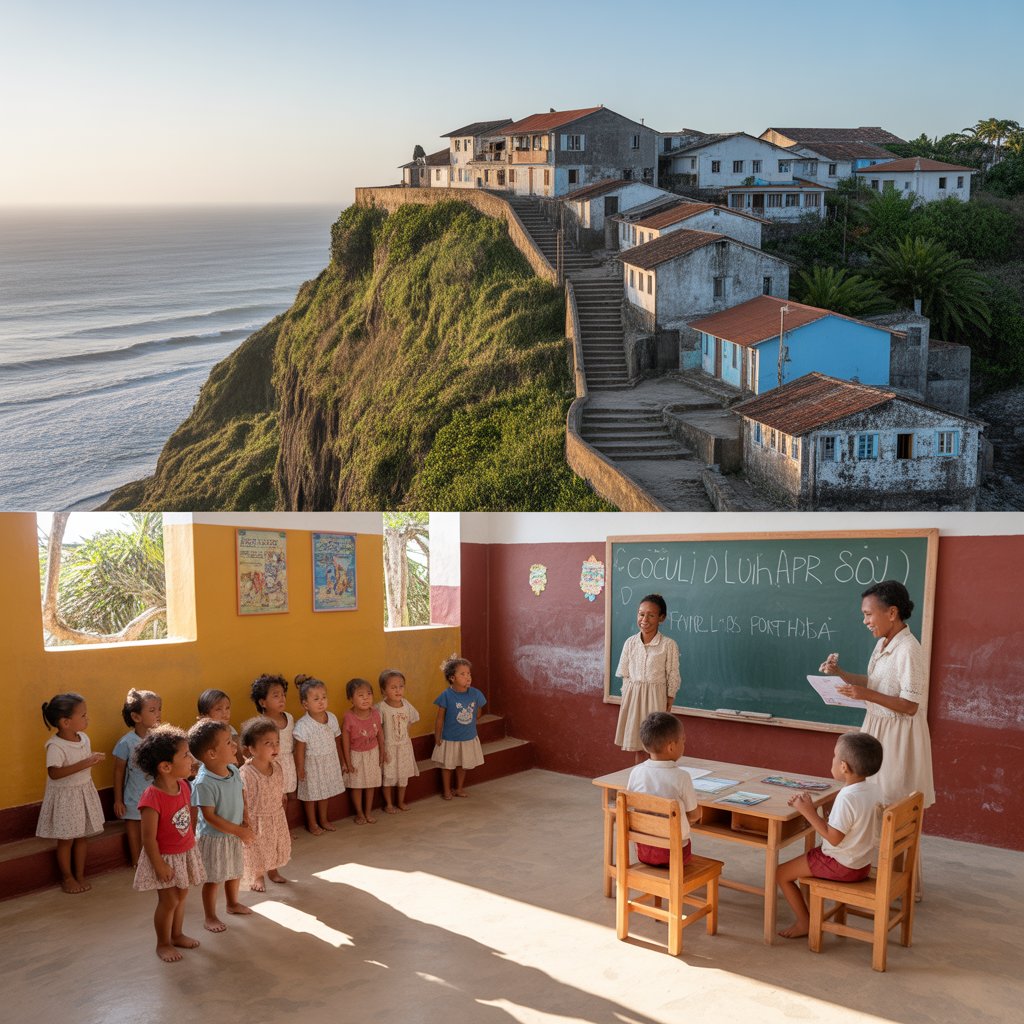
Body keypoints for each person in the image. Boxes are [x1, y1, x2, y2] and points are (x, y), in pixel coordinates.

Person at [819, 580, 935, 810]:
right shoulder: (883, 643)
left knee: (890, 802)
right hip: (875, 729)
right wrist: (840, 673)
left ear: (892, 613)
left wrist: (866, 694)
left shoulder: (908, 649)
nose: (865, 621)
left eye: (868, 614)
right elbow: (875, 683)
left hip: (897, 737)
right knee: (870, 802)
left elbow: (910, 706)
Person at [776, 731, 884, 939]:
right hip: (861, 864)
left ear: (844, 767)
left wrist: (807, 811)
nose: (832, 760)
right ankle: (809, 913)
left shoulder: (847, 797)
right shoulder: (874, 790)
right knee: (805, 859)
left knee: (781, 873)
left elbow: (833, 838)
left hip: (841, 866)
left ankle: (804, 922)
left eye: (834, 756)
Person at [132, 724, 205, 963]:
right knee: (169, 900)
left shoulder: (183, 785)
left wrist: (191, 841)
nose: (191, 759)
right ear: (165, 767)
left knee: (181, 895)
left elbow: (189, 813)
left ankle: (177, 934)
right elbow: (148, 838)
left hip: (183, 852)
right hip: (163, 857)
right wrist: (159, 865)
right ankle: (163, 943)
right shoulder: (152, 797)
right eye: (185, 755)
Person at [188, 718, 254, 932]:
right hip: (214, 839)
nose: (234, 745)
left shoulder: (233, 770)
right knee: (214, 878)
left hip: (234, 833)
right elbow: (209, 817)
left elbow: (241, 795)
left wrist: (245, 819)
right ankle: (210, 916)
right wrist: (239, 831)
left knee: (234, 871)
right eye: (228, 742)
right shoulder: (204, 782)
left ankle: (232, 904)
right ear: (211, 754)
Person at [36, 693, 106, 894]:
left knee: (82, 836)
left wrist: (91, 759)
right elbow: (54, 773)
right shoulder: (55, 746)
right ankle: (67, 877)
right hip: (66, 798)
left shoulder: (83, 738)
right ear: (66, 722)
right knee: (66, 840)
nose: (87, 718)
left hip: (82, 793)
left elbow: (83, 762)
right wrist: (85, 763)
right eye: (83, 715)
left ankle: (80, 874)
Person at [625, 712, 700, 865]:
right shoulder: (682, 777)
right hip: (676, 856)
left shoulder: (636, 772)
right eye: (683, 741)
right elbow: (694, 815)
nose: (684, 744)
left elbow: (631, 803)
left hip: (644, 851)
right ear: (671, 747)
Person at [614, 594, 681, 762]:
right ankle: (640, 777)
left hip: (655, 699)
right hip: (633, 697)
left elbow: (673, 674)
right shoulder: (630, 643)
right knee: (638, 746)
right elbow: (625, 673)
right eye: (641, 614)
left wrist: (669, 698)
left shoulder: (668, 645)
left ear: (661, 618)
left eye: (651, 615)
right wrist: (627, 696)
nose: (644, 619)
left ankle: (655, 778)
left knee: (655, 746)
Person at [239, 717, 291, 892]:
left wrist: (282, 797)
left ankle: (273, 871)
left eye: (277, 742)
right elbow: (243, 799)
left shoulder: (277, 766)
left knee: (275, 844)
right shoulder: (246, 773)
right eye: (268, 743)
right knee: (258, 849)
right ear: (252, 749)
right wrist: (245, 821)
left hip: (276, 815)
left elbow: (279, 786)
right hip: (257, 819)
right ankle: (258, 875)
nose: (275, 747)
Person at [113, 687, 162, 866]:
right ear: (136, 717)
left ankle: (155, 860)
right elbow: (118, 771)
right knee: (134, 826)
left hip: (157, 795)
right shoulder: (126, 743)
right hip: (134, 796)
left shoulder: (161, 739)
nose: (158, 714)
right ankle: (137, 862)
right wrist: (118, 800)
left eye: (159, 709)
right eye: (152, 710)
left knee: (155, 828)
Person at [292, 674, 345, 834]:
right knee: (311, 795)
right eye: (316, 699)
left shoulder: (332, 718)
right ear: (305, 704)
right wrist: (300, 768)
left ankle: (323, 819)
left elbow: (337, 741)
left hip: (329, 762)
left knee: (324, 793)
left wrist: (342, 760)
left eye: (323, 697)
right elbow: (299, 749)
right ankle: (312, 823)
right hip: (312, 766)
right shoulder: (303, 725)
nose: (321, 701)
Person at [432, 656, 486, 800]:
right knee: (447, 765)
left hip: (467, 737)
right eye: (462, 674)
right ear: (452, 678)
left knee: (463, 764)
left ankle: (459, 788)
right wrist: (437, 736)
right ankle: (446, 790)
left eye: (469, 673)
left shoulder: (475, 693)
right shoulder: (446, 695)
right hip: (449, 738)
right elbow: (440, 718)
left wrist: (469, 719)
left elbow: (478, 712)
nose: (467, 677)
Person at [341, 678, 384, 824]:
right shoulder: (349, 717)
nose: (366, 698)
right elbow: (345, 742)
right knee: (357, 786)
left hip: (372, 753)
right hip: (356, 755)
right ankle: (359, 813)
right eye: (360, 695)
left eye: (369, 694)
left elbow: (380, 734)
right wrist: (348, 762)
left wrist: (382, 753)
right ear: (350, 699)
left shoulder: (376, 713)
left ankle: (368, 812)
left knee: (370, 784)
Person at [377, 669, 420, 813]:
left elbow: (411, 720)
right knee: (388, 777)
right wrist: (382, 749)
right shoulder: (381, 708)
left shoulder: (406, 704)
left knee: (403, 776)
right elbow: (378, 729)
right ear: (383, 690)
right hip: (389, 747)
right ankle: (389, 804)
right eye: (393, 687)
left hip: (404, 747)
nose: (398, 690)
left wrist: (404, 736)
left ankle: (401, 801)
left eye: (401, 686)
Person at [249, 673, 296, 798]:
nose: (282, 699)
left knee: (291, 796)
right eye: (276, 696)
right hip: (272, 765)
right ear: (263, 702)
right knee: (276, 798)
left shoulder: (289, 718)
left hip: (289, 765)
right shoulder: (261, 724)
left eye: (283, 695)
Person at [197, 688, 244, 767]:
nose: (225, 713)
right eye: (218, 709)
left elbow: (240, 758)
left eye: (227, 708)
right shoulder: (201, 736)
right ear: (205, 714)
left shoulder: (230, 729)